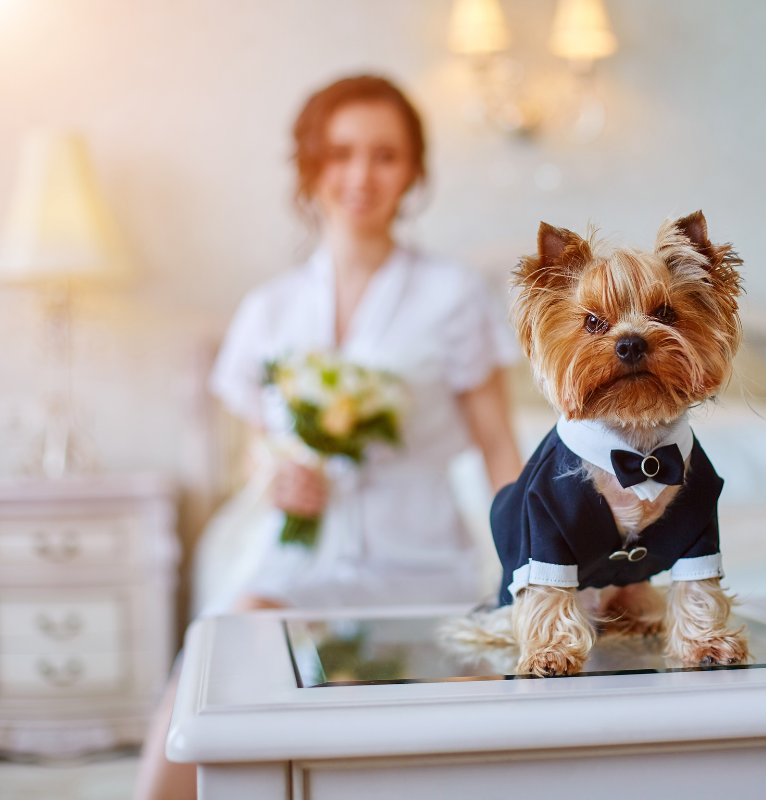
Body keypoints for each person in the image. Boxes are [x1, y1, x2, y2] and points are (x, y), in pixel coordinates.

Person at [133, 75, 523, 800]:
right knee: (190, 715)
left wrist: (533, 571)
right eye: (340, 153)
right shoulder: (268, 309)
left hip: (421, 564)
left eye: (385, 155)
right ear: (310, 167)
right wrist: (275, 472)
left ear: (414, 172)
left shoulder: (454, 295)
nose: (360, 176)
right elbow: (258, 444)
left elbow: (500, 446)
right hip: (295, 566)